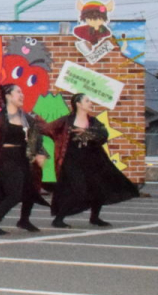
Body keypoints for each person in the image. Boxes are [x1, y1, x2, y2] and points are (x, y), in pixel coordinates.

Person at [45, 93, 140, 228]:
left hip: (93, 159)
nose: (91, 103)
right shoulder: (66, 121)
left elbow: (103, 135)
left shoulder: (93, 121)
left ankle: (94, 218)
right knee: (78, 188)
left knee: (99, 187)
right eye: (87, 101)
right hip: (72, 160)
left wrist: (87, 133)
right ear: (78, 104)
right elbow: (47, 130)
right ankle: (59, 219)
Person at [0, 84, 48, 236]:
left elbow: (38, 135)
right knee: (14, 194)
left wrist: (40, 152)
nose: (22, 95)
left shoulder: (27, 118)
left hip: (24, 156)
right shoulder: (0, 117)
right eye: (18, 92)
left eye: (22, 92)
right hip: (7, 157)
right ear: (8, 96)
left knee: (30, 188)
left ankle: (24, 220)